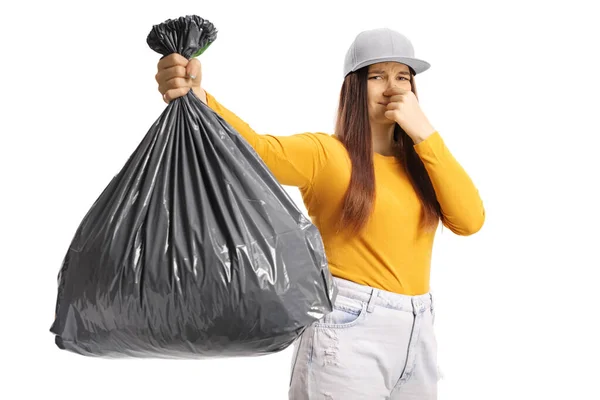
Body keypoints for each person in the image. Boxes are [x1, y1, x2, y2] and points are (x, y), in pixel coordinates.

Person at [155, 27, 485, 400]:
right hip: (349, 331)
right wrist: (199, 97)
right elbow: (260, 150)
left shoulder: (424, 165)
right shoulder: (327, 156)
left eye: (402, 77)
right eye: (377, 76)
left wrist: (424, 132)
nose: (392, 88)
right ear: (354, 87)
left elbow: (470, 220)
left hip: (418, 330)